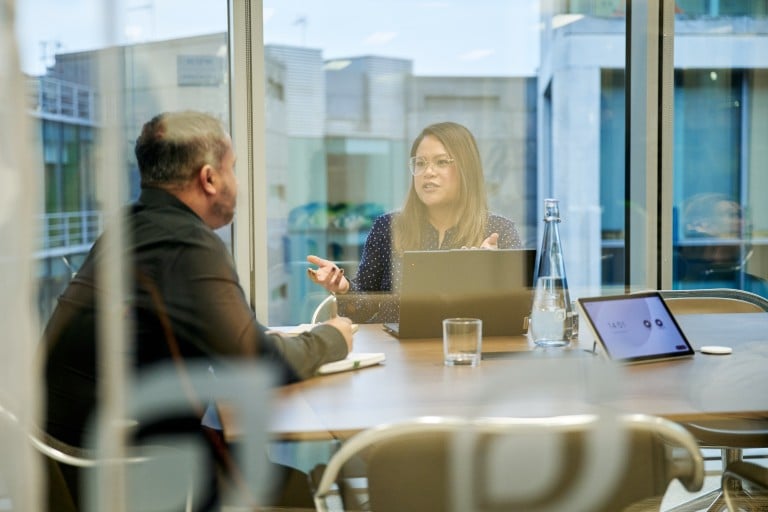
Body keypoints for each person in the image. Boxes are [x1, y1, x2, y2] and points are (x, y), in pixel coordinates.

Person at [41, 111, 353, 511]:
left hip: (74, 457)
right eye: (233, 169)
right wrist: (333, 337)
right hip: (125, 466)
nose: (237, 183)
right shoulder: (183, 245)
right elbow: (258, 365)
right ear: (209, 179)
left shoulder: (133, 229)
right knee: (292, 493)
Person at [307, 121, 522, 322]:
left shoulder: (499, 230)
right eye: (420, 163)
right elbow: (365, 310)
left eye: (441, 162)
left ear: (467, 169)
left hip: (465, 353)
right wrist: (344, 288)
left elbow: (521, 311)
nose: (428, 172)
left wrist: (494, 272)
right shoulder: (388, 227)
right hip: (395, 356)